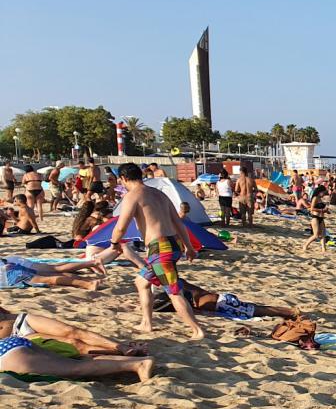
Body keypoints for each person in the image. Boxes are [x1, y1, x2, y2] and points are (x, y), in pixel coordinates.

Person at [106, 163, 205, 339]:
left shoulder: (132, 196)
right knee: (141, 282)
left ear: (123, 178)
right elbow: (178, 223)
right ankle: (147, 323)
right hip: (172, 245)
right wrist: (189, 247)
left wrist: (114, 242)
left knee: (174, 291)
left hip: (160, 249)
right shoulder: (160, 194)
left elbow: (121, 226)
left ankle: (197, 330)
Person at [0, 333, 154, 382]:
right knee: (74, 362)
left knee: (75, 368)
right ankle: (134, 362)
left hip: (9, 355)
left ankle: (137, 365)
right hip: (10, 344)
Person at [1, 305, 147, 356]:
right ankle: (122, 352)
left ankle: (121, 346)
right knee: (73, 344)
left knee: (72, 331)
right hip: (13, 339)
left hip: (18, 321)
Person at [177, 280, 298, 320]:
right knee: (254, 308)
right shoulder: (182, 284)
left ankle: (290, 312)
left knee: (257, 311)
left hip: (222, 303)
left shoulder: (179, 287)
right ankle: (288, 311)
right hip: (222, 300)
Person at [301, 187, 329, 254]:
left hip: (321, 218)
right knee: (316, 235)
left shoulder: (320, 199)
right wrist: (322, 210)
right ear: (320, 192)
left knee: (323, 234)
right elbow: (312, 208)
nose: (324, 194)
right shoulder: (315, 198)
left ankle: (323, 249)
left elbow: (321, 208)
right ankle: (305, 245)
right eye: (323, 192)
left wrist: (326, 211)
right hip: (315, 217)